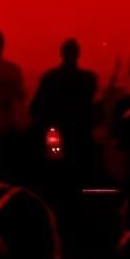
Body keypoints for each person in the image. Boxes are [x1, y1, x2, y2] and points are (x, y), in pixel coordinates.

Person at [30, 38, 97, 175]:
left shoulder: (50, 78)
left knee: (55, 172)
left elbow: (35, 108)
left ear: (62, 53)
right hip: (81, 138)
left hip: (56, 136)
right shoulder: (88, 79)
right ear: (78, 54)